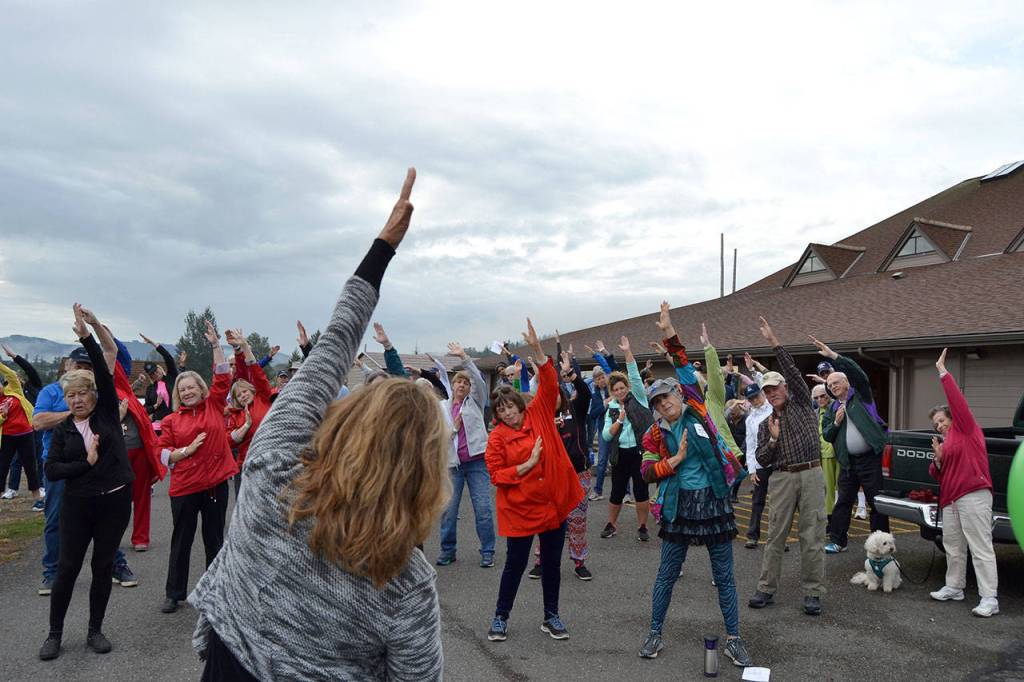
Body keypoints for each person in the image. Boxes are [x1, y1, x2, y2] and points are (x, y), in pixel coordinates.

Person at [190, 168, 449, 680]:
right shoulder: (404, 583)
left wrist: (383, 246)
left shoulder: (271, 469)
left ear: (346, 425)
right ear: (424, 474)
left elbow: (331, 348)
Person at [637, 303, 752, 665]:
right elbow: (646, 474)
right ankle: (655, 632)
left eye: (667, 396)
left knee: (725, 577)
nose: (664, 404)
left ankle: (734, 639)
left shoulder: (698, 409)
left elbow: (684, 365)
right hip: (678, 506)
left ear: (678, 395)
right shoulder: (654, 434)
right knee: (666, 575)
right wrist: (674, 461)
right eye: (657, 401)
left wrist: (670, 334)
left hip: (715, 502)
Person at [39, 304, 135, 660]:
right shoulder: (64, 429)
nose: (77, 400)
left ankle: (95, 629)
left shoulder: (107, 413)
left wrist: (88, 332)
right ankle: (54, 634)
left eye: (83, 394)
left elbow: (104, 364)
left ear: (94, 396)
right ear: (65, 400)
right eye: (71, 396)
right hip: (78, 504)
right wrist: (85, 462)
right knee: (67, 568)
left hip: (113, 501)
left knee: (102, 566)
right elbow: (52, 470)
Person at [485, 318, 584, 643]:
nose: (508, 413)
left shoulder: (538, 413)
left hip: (553, 505)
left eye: (511, 406)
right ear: (497, 415)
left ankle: (551, 615)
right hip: (521, 509)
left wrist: (541, 354)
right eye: (501, 410)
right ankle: (500, 617)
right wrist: (526, 465)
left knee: (552, 564)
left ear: (519, 405)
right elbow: (497, 475)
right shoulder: (497, 438)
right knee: (515, 565)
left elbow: (550, 385)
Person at [157, 319, 238, 614]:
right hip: (185, 488)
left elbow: (222, 376)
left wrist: (217, 345)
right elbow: (163, 454)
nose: (188, 391)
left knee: (214, 539)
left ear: (201, 390)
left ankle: (215, 590)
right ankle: (174, 593)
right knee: (181, 541)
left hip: (216, 485)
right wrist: (185, 451)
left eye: (192, 386)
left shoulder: (214, 405)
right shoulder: (171, 420)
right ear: (178, 393)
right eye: (183, 388)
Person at [747, 317, 826, 617]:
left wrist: (774, 342)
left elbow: (792, 371)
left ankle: (813, 592)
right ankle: (766, 588)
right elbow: (762, 460)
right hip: (781, 478)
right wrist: (773, 441)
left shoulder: (803, 402)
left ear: (785, 387)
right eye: (767, 391)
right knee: (774, 536)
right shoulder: (767, 422)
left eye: (775, 388)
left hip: (811, 473)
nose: (771, 394)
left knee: (812, 536)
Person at [927, 349, 999, 617]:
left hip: (974, 495)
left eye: (942, 420)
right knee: (953, 546)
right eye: (936, 425)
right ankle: (954, 587)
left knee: (980, 547)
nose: (939, 426)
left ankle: (989, 598)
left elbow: (958, 403)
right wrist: (938, 460)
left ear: (952, 417)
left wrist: (943, 373)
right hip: (951, 500)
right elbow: (937, 474)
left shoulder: (967, 428)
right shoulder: (946, 443)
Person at [814, 336, 891, 554]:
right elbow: (828, 435)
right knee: (843, 502)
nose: (832, 386)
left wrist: (833, 356)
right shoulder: (832, 408)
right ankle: (838, 541)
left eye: (836, 382)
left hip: (869, 459)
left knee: (876, 503)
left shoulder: (862, 397)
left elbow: (859, 373)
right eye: (829, 385)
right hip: (848, 462)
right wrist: (837, 422)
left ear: (847, 382)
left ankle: (880, 545)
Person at [529, 350, 595, 581]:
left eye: (557, 392)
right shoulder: (540, 417)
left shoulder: (575, 409)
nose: (554, 396)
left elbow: (586, 393)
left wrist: (571, 374)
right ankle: (541, 560)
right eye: (550, 393)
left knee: (577, 520)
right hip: (550, 475)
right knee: (547, 519)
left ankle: (579, 562)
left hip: (579, 473)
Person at [436, 341, 496, 568]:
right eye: (458, 381)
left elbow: (480, 381)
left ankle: (488, 550)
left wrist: (464, 357)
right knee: (448, 512)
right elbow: (439, 436)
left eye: (465, 382)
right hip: (452, 466)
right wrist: (454, 428)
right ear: (452, 385)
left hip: (477, 464)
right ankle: (448, 550)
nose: (462, 385)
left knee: (483, 509)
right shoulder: (442, 407)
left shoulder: (476, 402)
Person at [600, 336, 653, 541]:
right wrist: (619, 421)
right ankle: (611, 524)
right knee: (616, 491)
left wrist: (627, 352)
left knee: (641, 491)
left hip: (640, 452)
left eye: (622, 387)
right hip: (620, 454)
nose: (620, 391)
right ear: (612, 393)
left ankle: (642, 527)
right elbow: (605, 435)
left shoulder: (639, 397)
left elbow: (635, 375)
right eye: (616, 389)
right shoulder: (612, 409)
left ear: (627, 387)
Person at [225, 330, 275, 497]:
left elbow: (253, 371)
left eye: (245, 391)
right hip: (245, 466)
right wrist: (245, 426)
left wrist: (243, 348)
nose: (242, 395)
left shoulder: (263, 398)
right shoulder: (236, 414)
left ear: (252, 390)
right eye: (238, 395)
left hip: (269, 463)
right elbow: (229, 441)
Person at [1, 344, 45, 508]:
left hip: (34, 427)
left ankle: (40, 491)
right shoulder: (6, 397)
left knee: (35, 460)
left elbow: (25, 371)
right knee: (12, 463)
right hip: (13, 433)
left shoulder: (28, 387)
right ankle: (12, 488)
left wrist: (13, 357)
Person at [742, 382, 773, 549]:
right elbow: (751, 444)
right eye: (751, 398)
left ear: (762, 393)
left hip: (777, 462)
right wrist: (752, 470)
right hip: (761, 464)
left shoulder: (773, 409)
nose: (755, 400)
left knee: (778, 502)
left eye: (756, 396)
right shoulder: (750, 418)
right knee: (757, 501)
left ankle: (777, 537)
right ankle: (752, 535)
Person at [812, 384, 839, 532]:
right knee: (827, 489)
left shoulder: (836, 407)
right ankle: (830, 519)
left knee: (839, 488)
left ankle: (838, 520)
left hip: (837, 453)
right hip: (822, 454)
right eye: (816, 398)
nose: (819, 399)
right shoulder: (814, 413)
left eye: (822, 396)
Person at [138, 333, 179, 431]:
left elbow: (168, 358)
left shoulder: (171, 377)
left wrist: (153, 344)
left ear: (159, 369)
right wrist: (155, 406)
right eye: (152, 374)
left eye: (156, 371)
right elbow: (145, 410)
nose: (155, 374)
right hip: (158, 426)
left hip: (175, 422)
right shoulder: (150, 389)